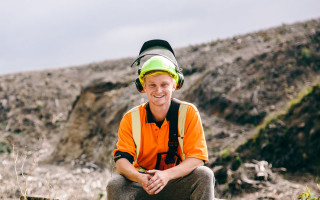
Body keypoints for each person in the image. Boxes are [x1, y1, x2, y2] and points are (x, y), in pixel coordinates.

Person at [107, 39, 215, 200]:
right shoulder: (131, 118)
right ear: (142, 86)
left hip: (175, 181)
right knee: (115, 185)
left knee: (204, 174)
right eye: (152, 85)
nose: (158, 90)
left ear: (175, 84)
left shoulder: (188, 113)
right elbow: (121, 162)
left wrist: (166, 175)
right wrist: (140, 178)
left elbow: (197, 158)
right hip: (143, 184)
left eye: (164, 84)